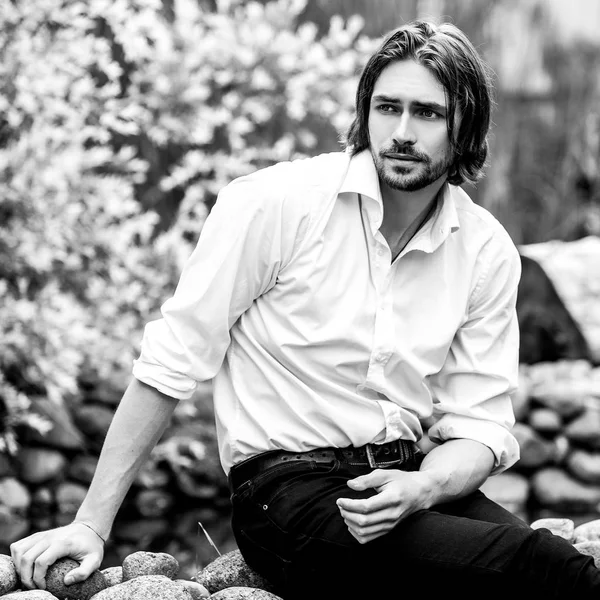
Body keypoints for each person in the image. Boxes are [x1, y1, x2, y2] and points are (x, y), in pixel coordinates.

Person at [10, 19, 600, 600]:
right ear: (364, 111)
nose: (401, 131)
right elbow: (171, 360)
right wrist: (91, 522)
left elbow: (480, 428)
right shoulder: (277, 204)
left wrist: (420, 486)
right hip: (287, 495)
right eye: (387, 107)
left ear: (465, 127)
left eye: (427, 113)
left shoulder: (485, 249)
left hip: (405, 478)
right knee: (536, 564)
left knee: (548, 569)